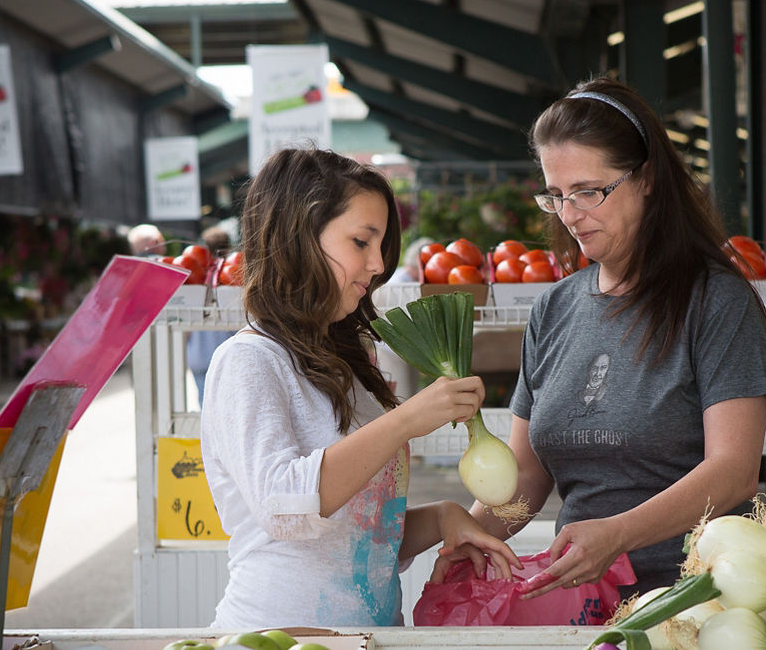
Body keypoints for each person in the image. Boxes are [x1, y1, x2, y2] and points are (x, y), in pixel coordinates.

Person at [466, 78, 766, 599]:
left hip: (700, 598)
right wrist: (472, 536)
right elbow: (526, 474)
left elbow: (733, 473)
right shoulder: (553, 309)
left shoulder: (717, 302)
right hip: (586, 603)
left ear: (647, 179)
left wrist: (617, 534)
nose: (570, 215)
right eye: (557, 196)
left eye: (589, 192)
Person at [199, 148, 520, 628]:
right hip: (280, 636)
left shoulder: (351, 363)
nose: (376, 265)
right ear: (300, 237)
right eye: (360, 242)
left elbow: (361, 534)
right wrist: (406, 420)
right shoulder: (248, 361)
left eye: (382, 246)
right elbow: (285, 507)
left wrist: (443, 518)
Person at [186, 225, 236, 405]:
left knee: (205, 407)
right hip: (227, 354)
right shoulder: (232, 273)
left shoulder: (196, 276)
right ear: (228, 247)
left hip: (199, 353)